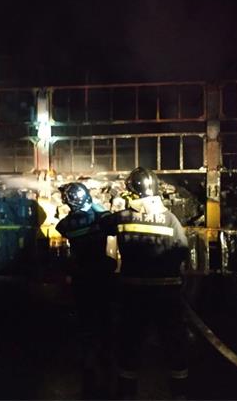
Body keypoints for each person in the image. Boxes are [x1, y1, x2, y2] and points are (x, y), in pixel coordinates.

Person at [101, 167, 190, 400]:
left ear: (131, 192)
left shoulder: (122, 217)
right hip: (167, 292)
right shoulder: (170, 219)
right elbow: (182, 249)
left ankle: (126, 393)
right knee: (173, 342)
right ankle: (179, 393)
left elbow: (102, 224)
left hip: (134, 292)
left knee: (130, 342)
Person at [55, 182, 116, 399]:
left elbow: (60, 226)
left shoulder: (67, 225)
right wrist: (97, 205)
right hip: (102, 276)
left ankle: (88, 362)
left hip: (82, 278)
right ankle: (107, 359)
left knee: (86, 320)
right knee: (105, 318)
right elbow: (112, 223)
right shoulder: (101, 220)